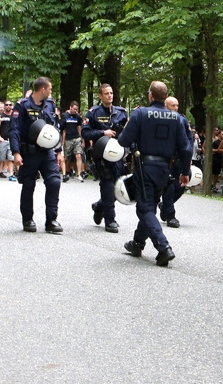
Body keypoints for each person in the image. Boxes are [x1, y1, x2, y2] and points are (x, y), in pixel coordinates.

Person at [119, 81, 191, 267]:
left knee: (144, 208)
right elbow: (185, 147)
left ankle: (163, 247)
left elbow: (124, 140)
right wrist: (185, 171)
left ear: (151, 95)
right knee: (149, 204)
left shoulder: (141, 113)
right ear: (165, 97)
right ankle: (137, 243)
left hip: (145, 167)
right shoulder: (177, 118)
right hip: (165, 169)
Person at [10, 77, 63, 234]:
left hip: (47, 152)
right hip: (29, 152)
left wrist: (59, 150)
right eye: (50, 89)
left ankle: (51, 220)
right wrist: (16, 152)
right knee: (28, 185)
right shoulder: (22, 105)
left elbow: (55, 129)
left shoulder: (50, 105)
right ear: (43, 89)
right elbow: (14, 130)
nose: (51, 92)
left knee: (54, 182)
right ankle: (28, 219)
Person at [82, 84, 129, 233]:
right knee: (108, 185)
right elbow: (85, 133)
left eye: (111, 93)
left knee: (119, 187)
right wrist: (103, 133)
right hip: (101, 155)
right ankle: (110, 220)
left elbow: (128, 133)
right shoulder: (93, 113)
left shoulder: (121, 113)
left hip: (119, 155)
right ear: (100, 96)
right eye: (106, 93)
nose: (109, 95)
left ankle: (99, 206)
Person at [158, 96, 194, 228]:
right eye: (172, 105)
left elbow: (189, 141)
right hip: (165, 159)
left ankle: (165, 205)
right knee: (170, 186)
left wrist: (188, 157)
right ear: (165, 106)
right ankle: (171, 215)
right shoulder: (160, 118)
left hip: (179, 159)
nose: (175, 108)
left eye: (177, 105)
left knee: (182, 185)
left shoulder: (182, 120)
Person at [60, 101, 85, 182]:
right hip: (67, 138)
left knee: (78, 155)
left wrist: (82, 139)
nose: (75, 111)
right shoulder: (64, 115)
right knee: (66, 158)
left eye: (77, 109)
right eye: (74, 109)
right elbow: (63, 129)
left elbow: (79, 128)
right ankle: (67, 171)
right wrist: (62, 141)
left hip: (76, 138)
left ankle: (79, 174)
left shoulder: (77, 116)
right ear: (70, 107)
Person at [0, 99, 16, 181]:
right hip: (3, 140)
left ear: (12, 106)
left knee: (11, 158)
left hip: (12, 140)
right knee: (0, 157)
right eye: (6, 105)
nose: (8, 106)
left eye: (10, 105)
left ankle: (11, 174)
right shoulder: (1, 115)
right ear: (4, 106)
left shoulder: (14, 116)